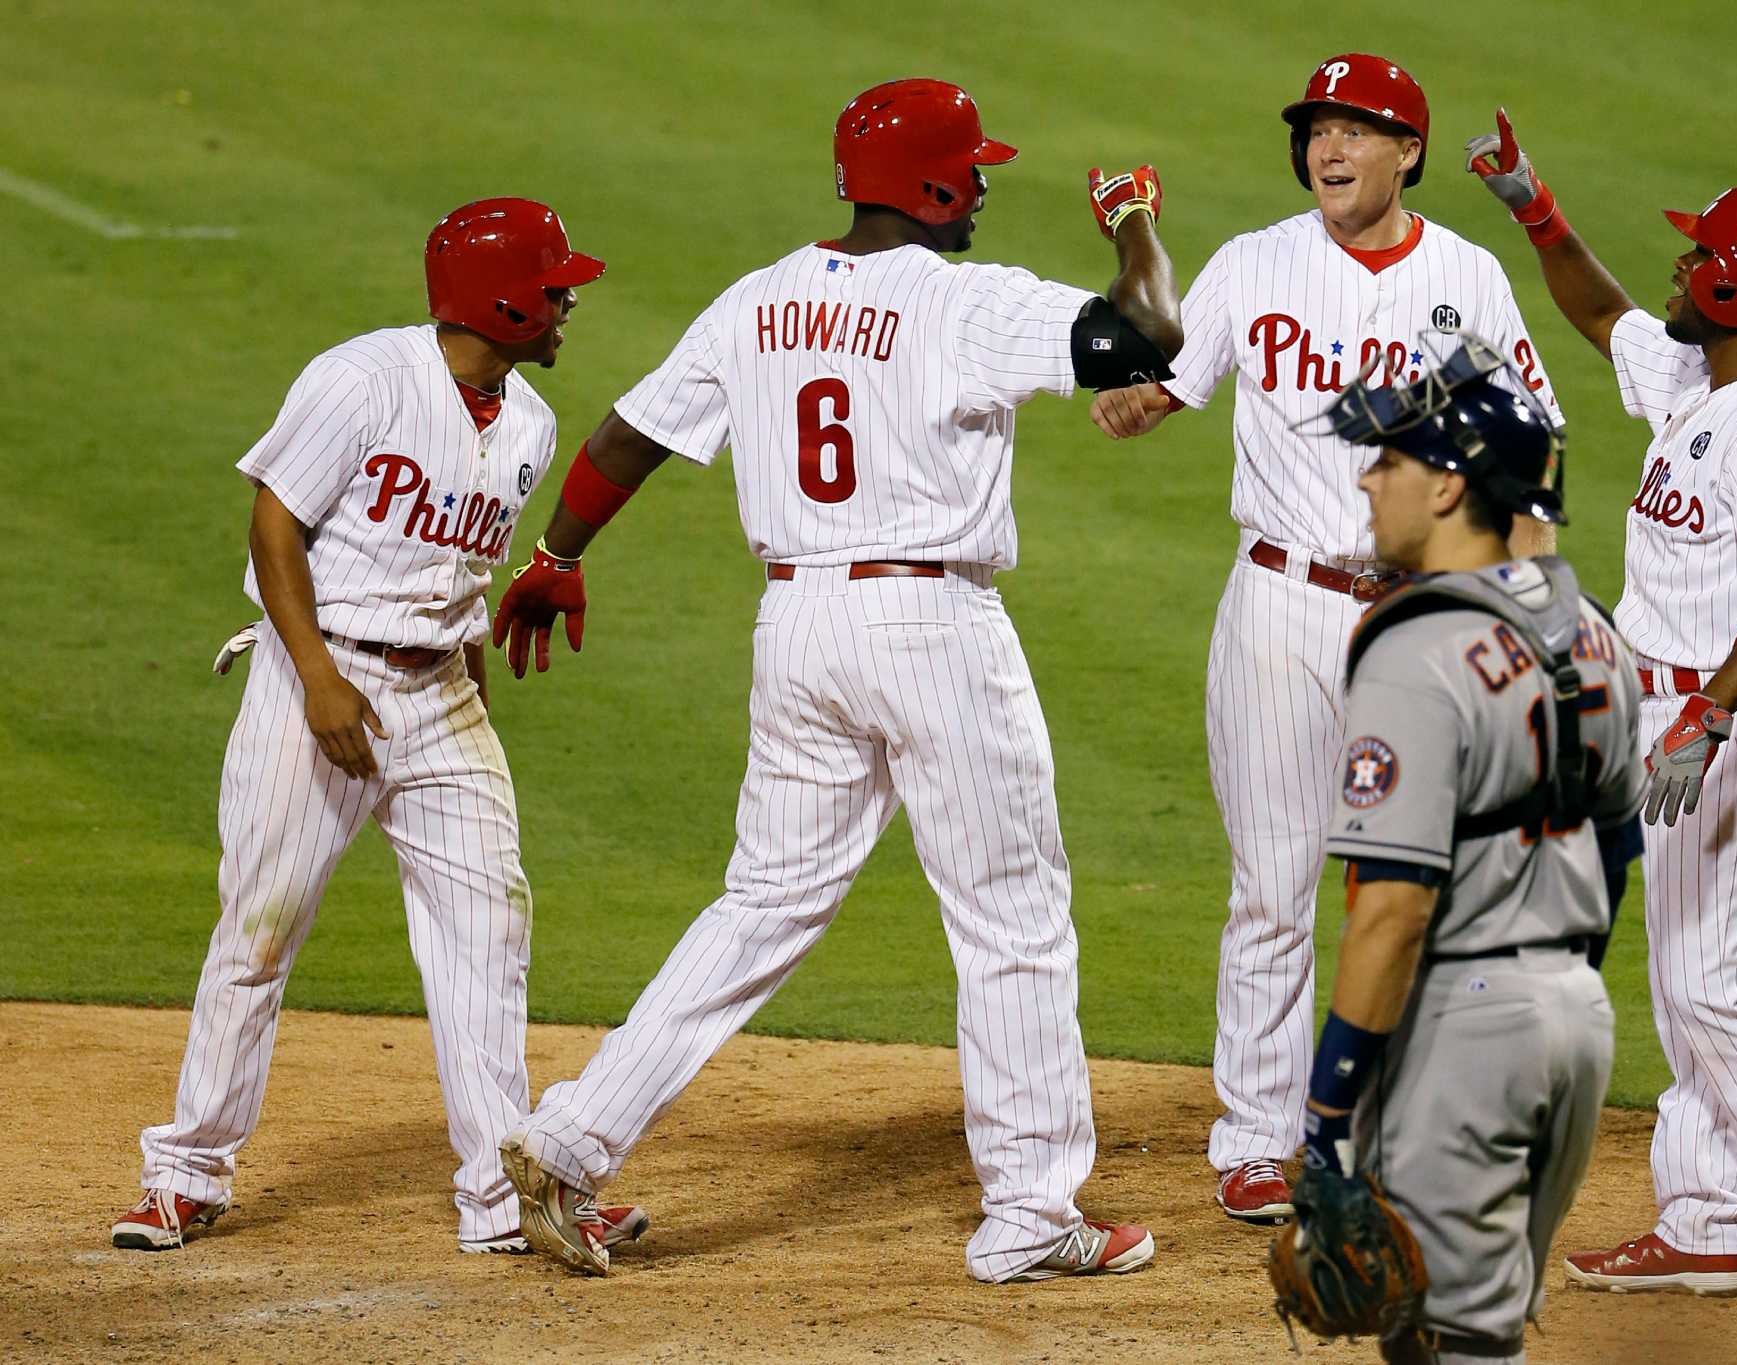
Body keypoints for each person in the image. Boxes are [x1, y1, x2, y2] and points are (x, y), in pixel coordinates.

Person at [485, 79, 1182, 1283]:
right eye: (970, 170)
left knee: (763, 901)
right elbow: (1146, 335)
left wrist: (556, 557)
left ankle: (570, 1137)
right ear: (930, 183)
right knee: (1011, 916)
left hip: (797, 628)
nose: (981, 187)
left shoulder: (758, 299)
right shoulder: (969, 301)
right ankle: (1029, 1206)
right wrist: (1129, 220)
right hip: (930, 625)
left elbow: (625, 435)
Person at [113, 199, 647, 1257]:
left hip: (442, 693)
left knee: (486, 937)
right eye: (553, 287)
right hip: (318, 678)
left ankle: (502, 1195)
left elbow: (458, 577)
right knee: (259, 930)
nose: (569, 300)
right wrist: (313, 676)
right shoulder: (360, 381)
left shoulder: (530, 423)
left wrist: (470, 700)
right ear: (498, 298)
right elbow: (276, 521)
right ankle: (186, 1173)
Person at [1090, 52, 1564, 1225]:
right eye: (1317, 130)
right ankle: (1254, 1136)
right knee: (1272, 882)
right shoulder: (1254, 262)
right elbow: (1167, 383)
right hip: (1281, 606)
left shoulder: (1466, 276)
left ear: (1407, 150)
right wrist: (1129, 395)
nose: (1329, 149)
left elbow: (1531, 443)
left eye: (1357, 130)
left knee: (1417, 887)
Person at [1463, 111, 1737, 1298]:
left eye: (1692, 255)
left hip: (1732, 729)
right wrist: (1532, 207)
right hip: (1675, 720)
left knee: (1718, 983)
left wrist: (1703, 717)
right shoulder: (1708, 375)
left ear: (1732, 285)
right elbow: (1602, 315)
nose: (1674, 268)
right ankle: (1702, 1219)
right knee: (1685, 984)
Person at [1297, 333, 1642, 1364]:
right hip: (1575, 1023)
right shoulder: (1593, 632)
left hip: (1464, 1034)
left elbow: (1392, 909)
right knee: (1445, 1322)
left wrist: (1325, 1112)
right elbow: (1616, 842)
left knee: (1453, 1341)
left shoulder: (1415, 651)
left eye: (1389, 459)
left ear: (1449, 487)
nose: (1368, 478)